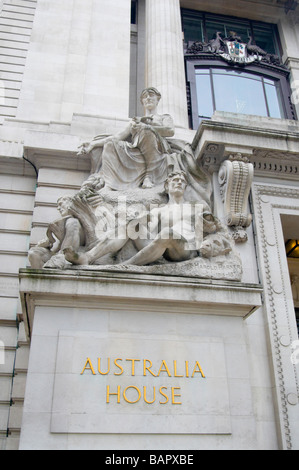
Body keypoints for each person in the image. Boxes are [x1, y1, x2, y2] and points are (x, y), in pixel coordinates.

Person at [63, 172, 229, 267]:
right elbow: (143, 225)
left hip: (186, 250)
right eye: (175, 180)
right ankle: (88, 257)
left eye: (182, 181)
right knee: (132, 225)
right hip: (161, 248)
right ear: (167, 186)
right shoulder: (158, 210)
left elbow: (218, 229)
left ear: (185, 187)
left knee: (167, 233)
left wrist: (211, 227)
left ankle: (125, 267)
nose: (179, 183)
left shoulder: (197, 206)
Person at [78, 88, 175, 190]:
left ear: (158, 99)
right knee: (110, 143)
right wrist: (93, 144)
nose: (148, 98)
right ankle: (109, 184)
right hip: (135, 149)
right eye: (145, 97)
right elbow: (117, 137)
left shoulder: (164, 117)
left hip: (157, 148)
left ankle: (149, 175)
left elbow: (170, 131)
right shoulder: (135, 121)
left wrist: (149, 127)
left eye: (151, 95)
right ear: (142, 101)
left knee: (145, 131)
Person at [28, 196, 85, 269]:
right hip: (58, 255)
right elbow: (55, 250)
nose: (58, 208)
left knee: (72, 222)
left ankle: (63, 260)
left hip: (75, 256)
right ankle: (39, 279)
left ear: (71, 203)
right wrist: (45, 245)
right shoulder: (61, 224)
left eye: (61, 204)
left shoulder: (77, 222)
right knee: (33, 253)